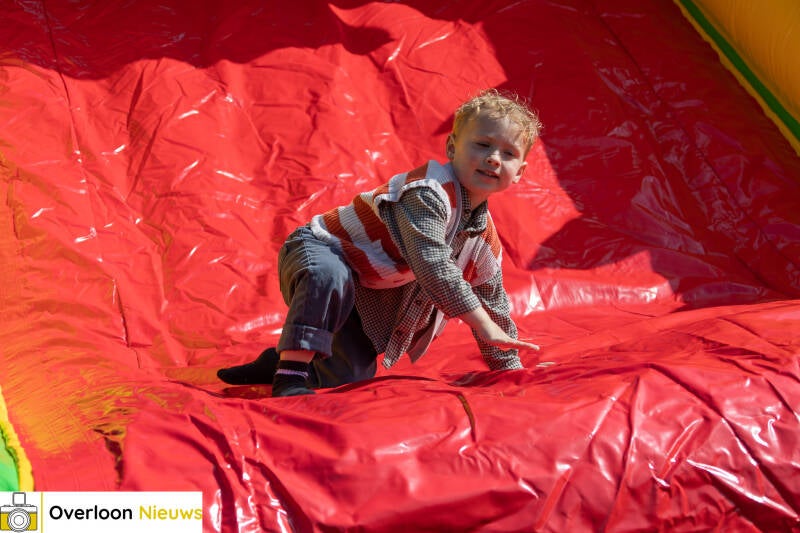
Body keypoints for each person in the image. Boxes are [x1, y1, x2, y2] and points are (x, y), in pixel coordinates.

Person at [218, 88, 542, 397]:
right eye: (483, 145)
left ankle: (278, 363)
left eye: (508, 153)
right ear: (452, 147)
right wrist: (481, 324)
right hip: (318, 250)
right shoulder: (427, 193)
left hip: (363, 289)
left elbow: (493, 301)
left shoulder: (482, 238)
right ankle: (290, 374)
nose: (494, 159)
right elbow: (432, 264)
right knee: (329, 275)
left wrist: (509, 369)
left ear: (519, 173)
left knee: (348, 376)